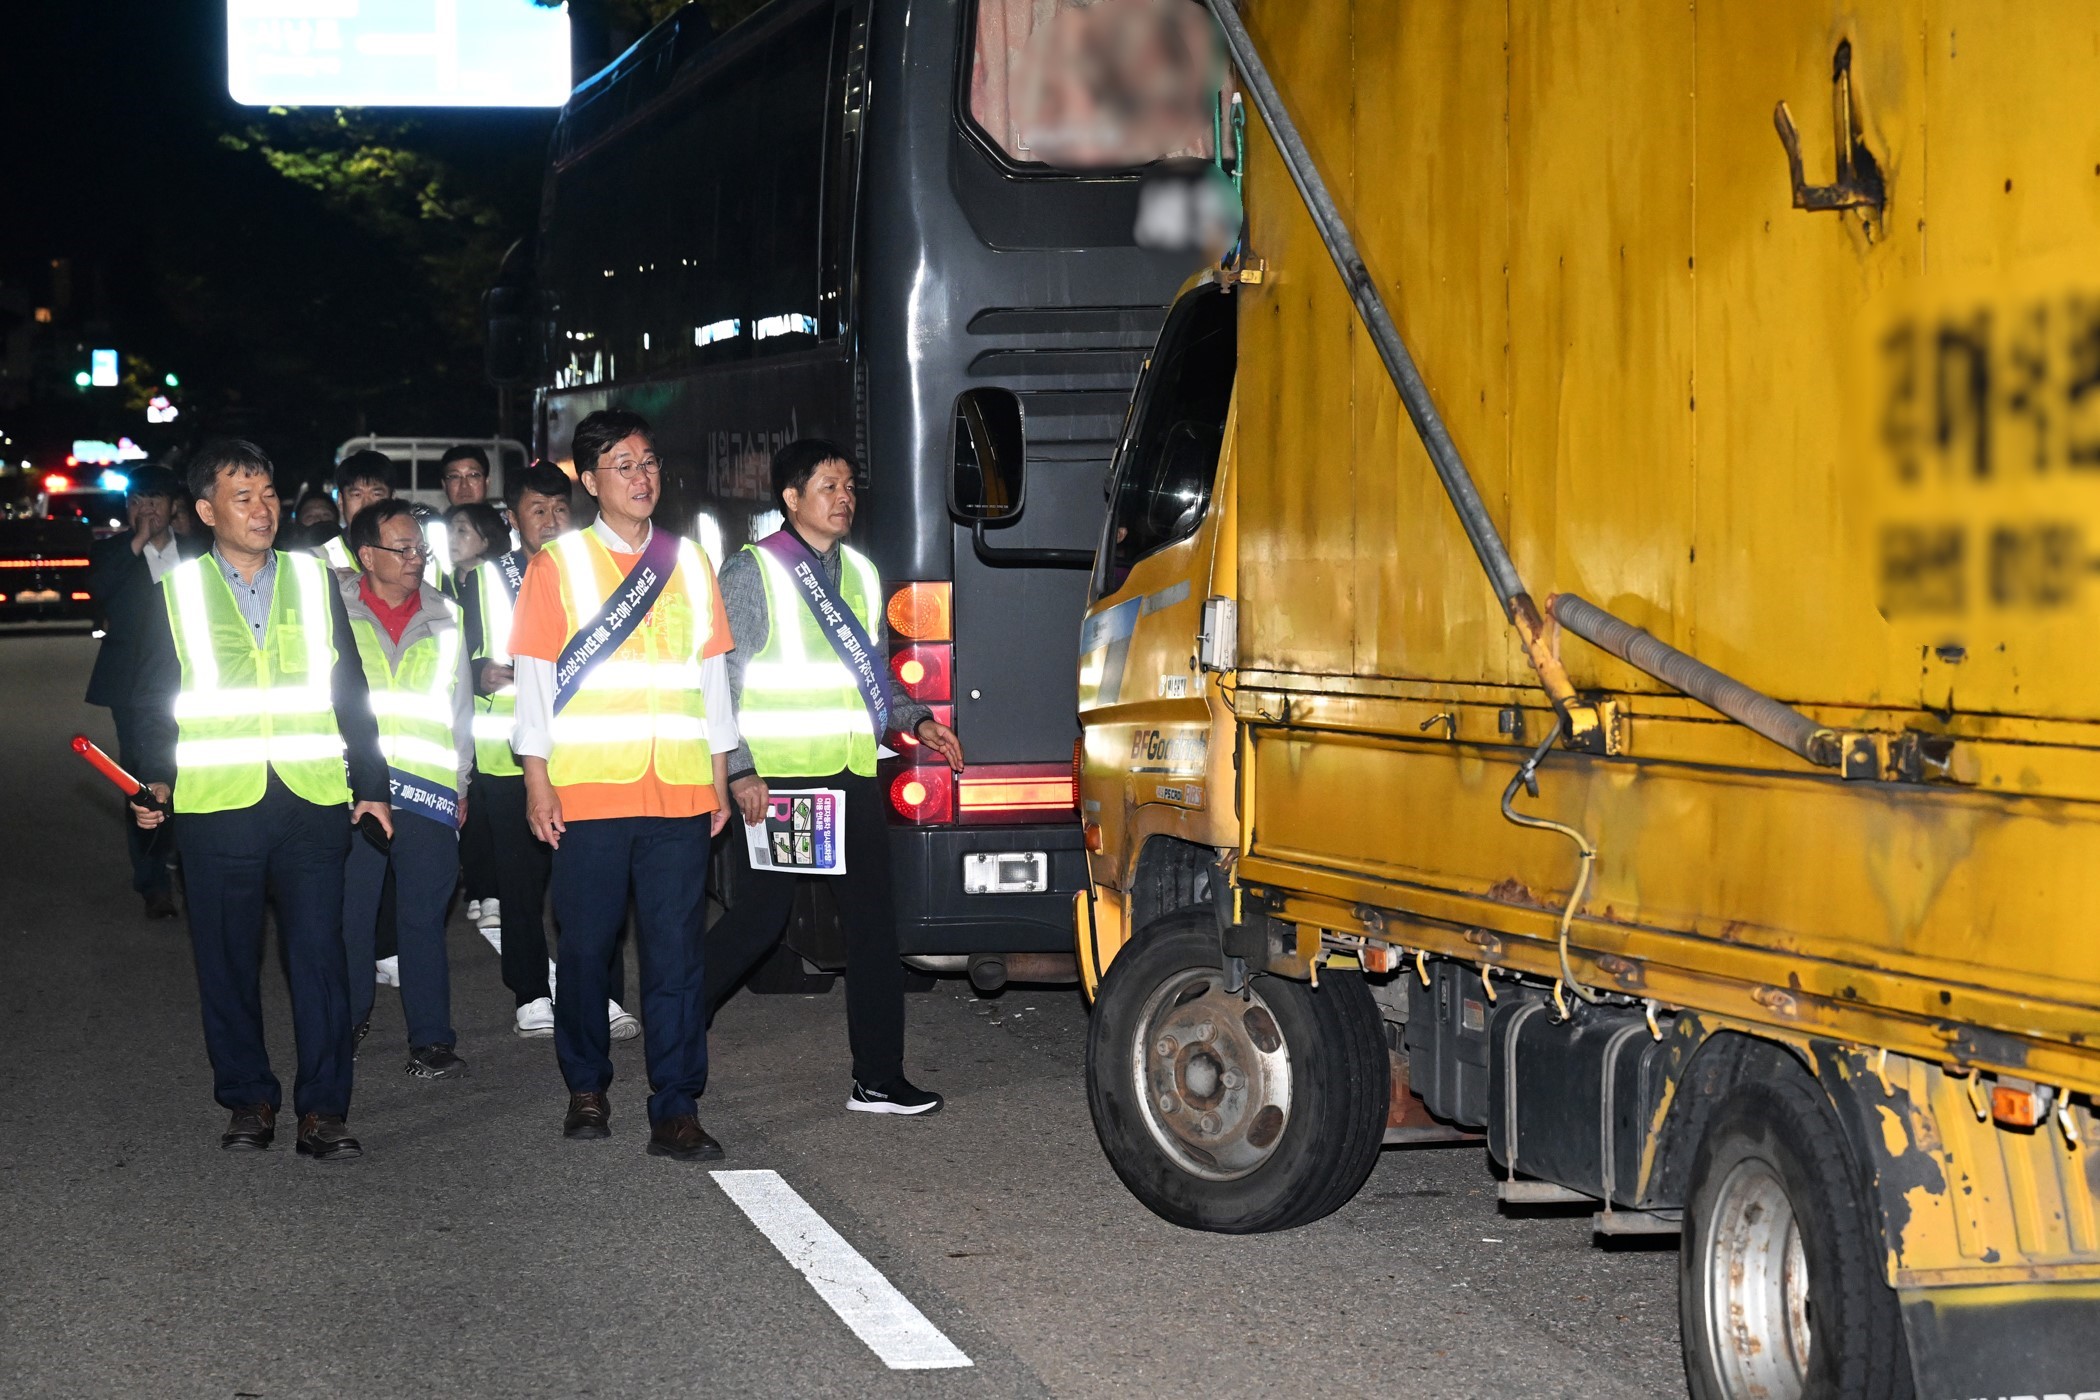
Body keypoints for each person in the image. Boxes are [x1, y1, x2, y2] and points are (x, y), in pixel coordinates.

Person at [128, 438, 393, 1161]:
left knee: (320, 957)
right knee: (226, 960)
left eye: (268, 493)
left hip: (310, 799)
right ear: (206, 510)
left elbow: (350, 691)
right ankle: (248, 1098)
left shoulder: (314, 582)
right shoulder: (176, 595)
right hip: (218, 805)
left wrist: (371, 786)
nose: (262, 508)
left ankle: (323, 1110)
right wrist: (155, 777)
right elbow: (152, 700)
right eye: (241, 497)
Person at [707, 439, 961, 1116]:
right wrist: (739, 770)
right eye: (828, 486)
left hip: (849, 775)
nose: (843, 498)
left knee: (875, 929)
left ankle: (878, 1078)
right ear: (791, 499)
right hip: (782, 784)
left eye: (849, 486)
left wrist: (916, 721)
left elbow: (871, 674)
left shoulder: (863, 574)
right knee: (761, 923)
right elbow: (721, 682)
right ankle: (677, 1020)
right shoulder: (754, 572)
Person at [508, 409, 737, 1159]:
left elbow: (711, 678)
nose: (642, 478)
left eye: (648, 463)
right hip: (590, 791)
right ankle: (586, 1084)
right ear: (589, 479)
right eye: (623, 465)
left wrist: (719, 777)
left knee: (676, 955)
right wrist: (537, 781)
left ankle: (676, 1105)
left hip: (676, 788)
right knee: (585, 949)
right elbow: (536, 682)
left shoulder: (690, 561)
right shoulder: (559, 565)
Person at [459, 460, 637, 1039]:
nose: (552, 521)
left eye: (561, 509)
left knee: (593, 880)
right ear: (514, 519)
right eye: (538, 511)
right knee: (521, 882)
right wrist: (480, 671)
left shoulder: (595, 571)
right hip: (508, 755)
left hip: (583, 751)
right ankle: (531, 992)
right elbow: (466, 662)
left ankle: (606, 995)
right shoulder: (486, 579)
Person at [338, 499, 475, 1079]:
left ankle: (432, 1040)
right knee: (349, 917)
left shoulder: (446, 613)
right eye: (402, 548)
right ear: (366, 555)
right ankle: (342, 1024)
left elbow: (460, 707)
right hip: (355, 792)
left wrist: (461, 781)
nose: (416, 558)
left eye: (420, 547)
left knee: (423, 918)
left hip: (429, 790)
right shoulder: (332, 612)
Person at [84, 464, 201, 919]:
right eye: (137, 501)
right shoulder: (113, 552)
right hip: (133, 686)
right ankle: (153, 882)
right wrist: (135, 542)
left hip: (193, 680)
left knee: (193, 774)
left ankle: (193, 869)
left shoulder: (196, 552)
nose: (147, 508)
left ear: (175, 506)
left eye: (156, 499)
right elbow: (98, 590)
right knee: (140, 781)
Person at [319, 450, 397, 573]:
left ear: (392, 498)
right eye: (357, 495)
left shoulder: (416, 555)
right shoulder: (320, 558)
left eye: (376, 494)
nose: (366, 504)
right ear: (341, 500)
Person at [447, 501, 508, 574]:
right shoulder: (442, 578)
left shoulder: (503, 580)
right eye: (450, 529)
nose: (450, 537)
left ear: (486, 541)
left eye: (461, 530)